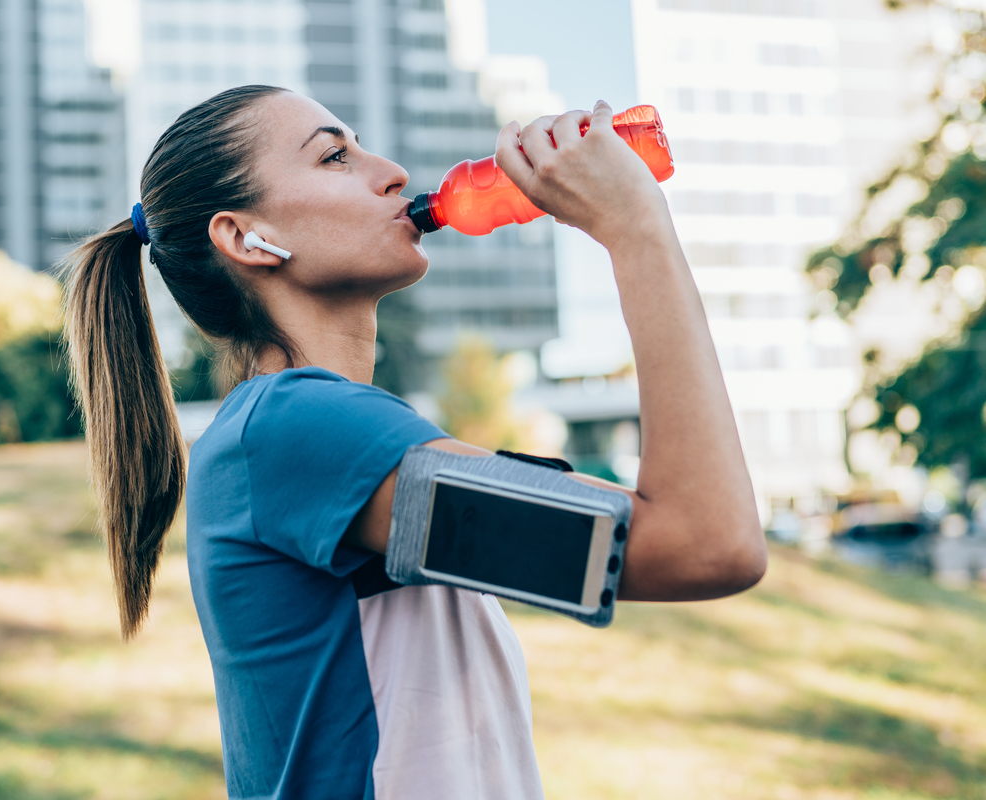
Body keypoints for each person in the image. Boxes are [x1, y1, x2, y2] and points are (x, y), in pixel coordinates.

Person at [62, 85, 766, 800]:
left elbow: (680, 538)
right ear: (246, 239)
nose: (391, 170)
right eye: (335, 156)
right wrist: (635, 227)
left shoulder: (326, 436)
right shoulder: (292, 432)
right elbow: (703, 546)